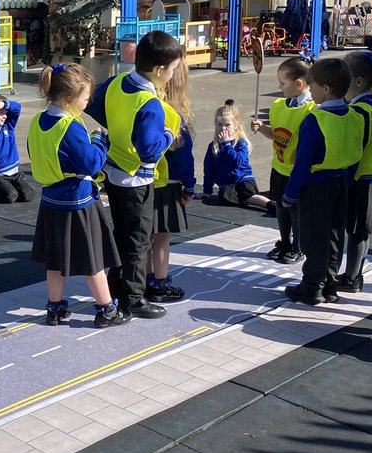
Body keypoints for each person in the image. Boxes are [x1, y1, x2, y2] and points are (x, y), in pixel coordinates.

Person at [84, 30, 180, 320]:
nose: (174, 76)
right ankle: (133, 298)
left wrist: (117, 130)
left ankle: (116, 284)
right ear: (160, 70)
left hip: (114, 170)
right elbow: (150, 150)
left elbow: (96, 107)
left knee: (122, 234)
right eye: (173, 70)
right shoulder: (150, 104)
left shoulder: (117, 82)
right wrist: (169, 131)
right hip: (137, 178)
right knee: (138, 241)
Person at [28, 63, 128, 329]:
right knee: (92, 259)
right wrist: (99, 140)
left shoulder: (39, 120)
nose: (87, 103)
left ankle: (55, 308)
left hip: (51, 199)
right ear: (70, 100)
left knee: (55, 260)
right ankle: (106, 309)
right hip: (78, 201)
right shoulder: (70, 127)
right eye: (85, 98)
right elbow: (92, 164)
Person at [280, 58, 364, 306]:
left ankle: (311, 286)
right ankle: (329, 284)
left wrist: (290, 194)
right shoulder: (353, 115)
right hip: (342, 181)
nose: (310, 88)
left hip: (317, 185)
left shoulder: (316, 119)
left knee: (314, 236)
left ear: (325, 89)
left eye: (313, 85)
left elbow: (303, 162)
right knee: (335, 234)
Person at [337, 52, 372, 292]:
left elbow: (352, 149)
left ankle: (352, 278)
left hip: (361, 180)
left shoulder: (358, 111)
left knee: (356, 232)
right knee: (361, 232)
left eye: (345, 78)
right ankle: (354, 274)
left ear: (358, 81)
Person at [251, 58, 313, 264]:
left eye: (282, 82)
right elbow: (276, 135)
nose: (279, 87)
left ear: (298, 84)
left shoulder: (311, 110)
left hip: (297, 171)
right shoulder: (278, 106)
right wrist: (262, 129)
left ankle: (299, 246)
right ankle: (285, 241)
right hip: (278, 167)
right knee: (281, 207)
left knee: (296, 211)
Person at [146, 53, 194, 303]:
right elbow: (184, 157)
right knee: (162, 237)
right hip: (168, 184)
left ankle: (145, 277)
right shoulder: (176, 117)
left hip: (144, 181)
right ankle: (160, 282)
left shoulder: (146, 108)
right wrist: (190, 186)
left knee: (145, 237)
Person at [203, 99, 274, 212]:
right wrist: (207, 191)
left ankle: (270, 205)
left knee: (248, 196)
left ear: (236, 125)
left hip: (243, 181)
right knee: (226, 197)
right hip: (227, 185)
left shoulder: (240, 143)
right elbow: (209, 170)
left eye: (227, 125)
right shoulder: (213, 146)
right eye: (220, 124)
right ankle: (265, 197)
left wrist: (227, 145)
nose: (223, 128)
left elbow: (237, 162)